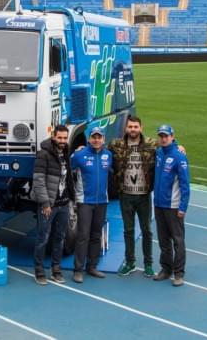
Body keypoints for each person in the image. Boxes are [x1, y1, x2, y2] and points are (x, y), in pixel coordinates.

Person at [108, 114, 156, 278]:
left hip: (144, 195)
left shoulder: (151, 144)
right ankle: (130, 262)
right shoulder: (116, 145)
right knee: (128, 231)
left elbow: (167, 146)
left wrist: (179, 146)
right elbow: (97, 149)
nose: (133, 129)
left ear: (140, 128)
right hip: (126, 195)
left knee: (147, 231)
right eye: (130, 127)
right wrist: (81, 148)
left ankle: (148, 264)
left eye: (136, 127)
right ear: (126, 128)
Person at [31, 125, 73, 285]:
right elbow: (39, 180)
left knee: (60, 237)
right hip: (49, 205)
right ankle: (39, 270)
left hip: (64, 203)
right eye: (60, 138)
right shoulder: (43, 154)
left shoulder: (67, 151)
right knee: (43, 237)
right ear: (53, 137)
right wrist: (45, 203)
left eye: (65, 138)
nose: (62, 141)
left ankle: (56, 269)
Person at [70, 126, 112, 283]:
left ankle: (92, 266)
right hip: (85, 202)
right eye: (93, 137)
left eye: (99, 137)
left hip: (102, 201)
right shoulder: (79, 155)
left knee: (96, 235)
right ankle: (78, 269)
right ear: (89, 139)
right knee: (83, 236)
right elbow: (69, 170)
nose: (96, 140)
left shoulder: (108, 155)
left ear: (103, 139)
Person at [152, 124, 190, 286]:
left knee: (177, 240)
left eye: (166, 136)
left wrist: (183, 207)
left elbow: (185, 185)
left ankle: (179, 273)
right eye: (161, 135)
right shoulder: (159, 153)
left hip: (173, 206)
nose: (163, 138)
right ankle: (166, 269)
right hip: (159, 204)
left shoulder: (179, 156)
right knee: (163, 240)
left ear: (172, 136)